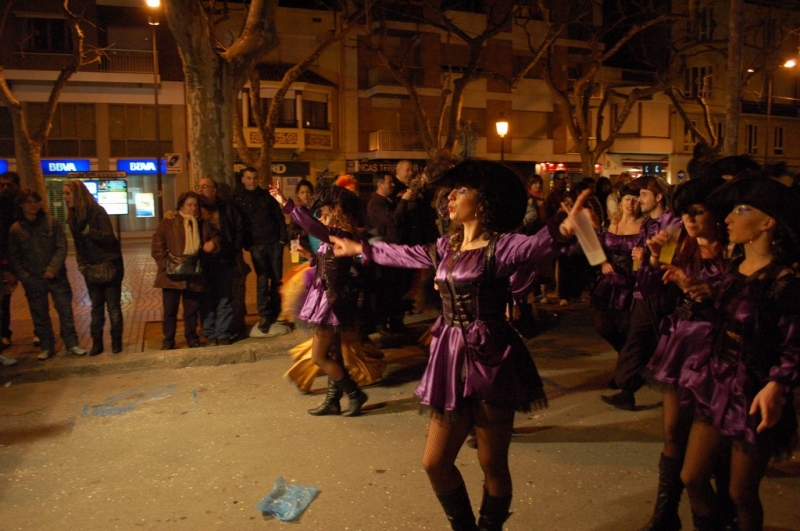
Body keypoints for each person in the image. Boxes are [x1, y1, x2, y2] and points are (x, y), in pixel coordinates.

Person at [331, 160, 590, 531]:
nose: (450, 197)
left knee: (492, 463)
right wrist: (359, 248)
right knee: (434, 462)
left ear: (483, 201)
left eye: (462, 190)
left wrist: (563, 230)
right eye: (451, 191)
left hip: (491, 359)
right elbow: (402, 254)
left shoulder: (503, 246)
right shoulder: (445, 245)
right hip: (449, 358)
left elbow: (535, 247)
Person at [678, 172, 800, 531]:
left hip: (753, 393)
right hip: (715, 384)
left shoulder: (785, 282)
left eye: (741, 210)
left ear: (767, 222)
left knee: (740, 493)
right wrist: (699, 295)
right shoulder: (734, 267)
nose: (728, 218)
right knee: (692, 476)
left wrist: (777, 385)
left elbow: (794, 345)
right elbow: (722, 319)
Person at [637, 174, 729, 531]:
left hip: (718, 348)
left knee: (714, 446)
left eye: (697, 212)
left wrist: (696, 286)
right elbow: (653, 291)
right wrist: (654, 257)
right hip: (681, 344)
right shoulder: (682, 242)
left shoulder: (734, 247)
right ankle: (664, 515)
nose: (688, 220)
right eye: (683, 213)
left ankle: (718, 513)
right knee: (674, 431)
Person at [269, 184, 382, 417]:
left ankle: (354, 394)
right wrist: (310, 257)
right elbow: (326, 261)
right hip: (325, 297)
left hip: (331, 300)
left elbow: (311, 226)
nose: (320, 212)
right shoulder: (334, 233)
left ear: (336, 209)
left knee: (318, 357)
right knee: (332, 353)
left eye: (324, 208)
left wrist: (286, 203)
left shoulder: (341, 234)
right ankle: (333, 400)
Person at [601, 175, 681, 410]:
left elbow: (666, 260)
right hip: (643, 290)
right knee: (635, 340)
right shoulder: (647, 224)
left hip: (663, 293)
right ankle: (627, 389)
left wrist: (646, 257)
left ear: (658, 197)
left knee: (663, 342)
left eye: (644, 195)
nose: (639, 199)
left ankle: (680, 391)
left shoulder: (672, 223)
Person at [8, 189, 87, 360]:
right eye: (29, 202)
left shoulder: (51, 222)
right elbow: (14, 257)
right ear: (21, 205)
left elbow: (61, 246)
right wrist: (25, 277)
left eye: (36, 201)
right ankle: (46, 346)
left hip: (57, 277)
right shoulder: (16, 229)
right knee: (39, 314)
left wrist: (53, 268)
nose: (33, 205)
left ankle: (72, 343)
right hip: (33, 279)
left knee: (65, 312)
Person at [63, 180, 125, 355]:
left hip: (110, 265)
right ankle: (97, 343)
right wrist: (81, 265)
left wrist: (88, 231)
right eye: (64, 194)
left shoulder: (97, 211)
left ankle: (116, 342)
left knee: (113, 308)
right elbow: (78, 244)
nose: (65, 197)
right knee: (96, 308)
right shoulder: (73, 216)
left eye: (68, 193)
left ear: (78, 194)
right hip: (91, 267)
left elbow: (109, 238)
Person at [152, 192, 220, 350]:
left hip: (193, 275)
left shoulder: (203, 224)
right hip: (171, 275)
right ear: (181, 205)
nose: (193, 208)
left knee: (191, 310)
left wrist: (214, 243)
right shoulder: (169, 221)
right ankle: (168, 340)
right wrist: (166, 264)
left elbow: (217, 237)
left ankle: (192, 338)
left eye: (195, 205)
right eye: (189, 205)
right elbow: (157, 245)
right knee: (170, 311)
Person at [232, 167, 289, 337]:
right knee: (262, 280)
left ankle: (276, 312)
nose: (252, 181)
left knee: (277, 280)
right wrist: (248, 245)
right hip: (257, 246)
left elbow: (279, 217)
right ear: (243, 179)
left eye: (255, 178)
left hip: (274, 243)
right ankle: (264, 315)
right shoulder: (238, 199)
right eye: (249, 178)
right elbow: (239, 224)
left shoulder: (266, 196)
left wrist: (281, 240)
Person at [192, 178, 248, 345]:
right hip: (202, 261)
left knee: (225, 297)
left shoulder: (227, 208)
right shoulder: (194, 208)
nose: (201, 190)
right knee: (206, 298)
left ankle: (222, 332)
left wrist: (234, 250)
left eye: (205, 186)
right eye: (198, 186)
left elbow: (239, 230)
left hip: (224, 259)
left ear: (215, 190)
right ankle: (209, 333)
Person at [591, 182, 642, 359]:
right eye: (627, 199)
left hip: (632, 281)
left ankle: (626, 365)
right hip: (610, 282)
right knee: (602, 325)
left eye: (635, 200)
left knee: (627, 327)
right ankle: (624, 354)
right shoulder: (609, 223)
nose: (630, 203)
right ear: (621, 202)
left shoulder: (645, 226)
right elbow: (595, 246)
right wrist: (603, 262)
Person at [367, 171, 414, 333]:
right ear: (380, 185)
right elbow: (393, 220)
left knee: (397, 289)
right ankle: (381, 323)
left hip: (396, 252)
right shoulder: (375, 204)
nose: (392, 185)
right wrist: (404, 201)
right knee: (384, 289)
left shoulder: (389, 201)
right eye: (389, 182)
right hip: (384, 254)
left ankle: (396, 321)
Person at [0, 171, 20, 350]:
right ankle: (4, 334)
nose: (5, 188)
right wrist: (5, 265)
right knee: (4, 299)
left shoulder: (22, 206)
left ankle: (40, 333)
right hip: (6, 261)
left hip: (25, 260)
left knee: (36, 297)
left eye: (9, 185)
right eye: (2, 185)